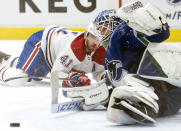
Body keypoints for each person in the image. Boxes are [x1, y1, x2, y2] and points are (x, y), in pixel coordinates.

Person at [92, 1, 181, 125]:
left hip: (168, 87)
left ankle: (143, 107)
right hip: (166, 98)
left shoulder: (127, 37)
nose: (101, 34)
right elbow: (112, 80)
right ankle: (142, 107)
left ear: (114, 24)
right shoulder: (116, 47)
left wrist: (130, 27)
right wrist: (96, 94)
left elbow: (161, 35)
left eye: (103, 28)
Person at [0, 23, 106, 87]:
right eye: (93, 38)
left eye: (99, 39)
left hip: (54, 56)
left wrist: (106, 79)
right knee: (19, 78)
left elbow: (99, 72)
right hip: (42, 44)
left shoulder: (100, 50)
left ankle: (6, 59)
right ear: (87, 35)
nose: (96, 43)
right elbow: (56, 75)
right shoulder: (74, 48)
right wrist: (72, 79)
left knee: (34, 75)